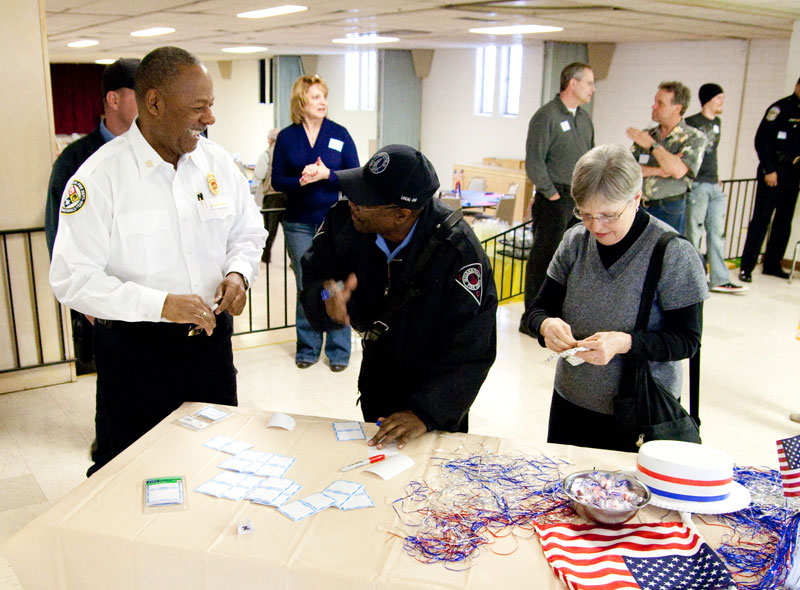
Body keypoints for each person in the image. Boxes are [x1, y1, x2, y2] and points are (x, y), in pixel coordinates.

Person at [49, 46, 267, 476]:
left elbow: (248, 232)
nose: (210, 118)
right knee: (138, 473)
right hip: (135, 356)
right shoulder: (99, 177)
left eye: (212, 105)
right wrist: (160, 304)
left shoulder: (218, 164)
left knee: (217, 460)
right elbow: (72, 279)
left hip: (210, 347)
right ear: (154, 103)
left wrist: (239, 274)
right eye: (198, 107)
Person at [299, 145, 498, 449]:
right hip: (377, 381)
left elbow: (473, 347)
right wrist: (326, 297)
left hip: (437, 399)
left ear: (400, 215)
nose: (352, 201)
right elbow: (315, 277)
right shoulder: (344, 223)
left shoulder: (458, 252)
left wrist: (425, 413)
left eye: (365, 199)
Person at [521, 144, 708, 451]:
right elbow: (537, 310)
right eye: (585, 213)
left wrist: (624, 343)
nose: (596, 226)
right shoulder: (575, 241)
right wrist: (546, 325)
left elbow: (686, 340)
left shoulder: (672, 253)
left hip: (639, 411)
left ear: (636, 198)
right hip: (571, 404)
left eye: (608, 215)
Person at [45, 58, 140, 376]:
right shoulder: (76, 161)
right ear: (114, 99)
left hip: (153, 304)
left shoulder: (158, 153)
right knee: (120, 400)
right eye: (140, 94)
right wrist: (89, 307)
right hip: (107, 309)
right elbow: (60, 237)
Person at [271, 74, 359, 372]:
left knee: (333, 286)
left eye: (324, 96)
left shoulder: (340, 134)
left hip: (334, 224)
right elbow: (277, 180)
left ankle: (338, 351)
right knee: (307, 286)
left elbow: (355, 176)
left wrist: (327, 175)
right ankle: (307, 348)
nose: (322, 102)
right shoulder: (287, 137)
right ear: (301, 102)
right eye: (316, 97)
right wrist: (300, 179)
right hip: (298, 223)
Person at [520, 62, 595, 333]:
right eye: (589, 83)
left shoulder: (584, 119)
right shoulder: (547, 116)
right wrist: (551, 194)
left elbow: (591, 157)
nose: (593, 89)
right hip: (554, 198)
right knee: (544, 258)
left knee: (571, 259)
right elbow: (534, 161)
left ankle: (559, 316)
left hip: (578, 199)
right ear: (572, 84)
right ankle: (533, 318)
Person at [685, 83, 748, 294]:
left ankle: (719, 278)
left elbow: (712, 154)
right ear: (709, 99)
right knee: (694, 231)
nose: (722, 102)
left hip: (713, 183)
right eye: (719, 98)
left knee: (716, 231)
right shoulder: (692, 123)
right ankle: (695, 277)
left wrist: (717, 176)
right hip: (698, 183)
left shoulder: (717, 123)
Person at [738, 78, 800, 283]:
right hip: (774, 171)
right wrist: (769, 169)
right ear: (797, 87)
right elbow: (762, 140)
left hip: (794, 173)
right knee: (762, 219)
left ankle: (772, 264)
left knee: (784, 221)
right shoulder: (780, 108)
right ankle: (747, 266)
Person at [627, 81, 707, 234]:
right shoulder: (648, 134)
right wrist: (660, 170)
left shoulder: (694, 138)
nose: (654, 106)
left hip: (668, 209)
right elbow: (629, 169)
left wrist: (652, 145)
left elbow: (677, 171)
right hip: (638, 207)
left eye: (660, 103)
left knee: (664, 255)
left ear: (677, 108)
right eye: (655, 101)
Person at [253, 128, 286, 263]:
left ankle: (265, 256)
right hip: (287, 197)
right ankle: (292, 261)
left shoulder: (267, 154)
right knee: (289, 231)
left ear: (269, 140)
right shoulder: (287, 153)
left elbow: (259, 174)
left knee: (269, 230)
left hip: (272, 196)